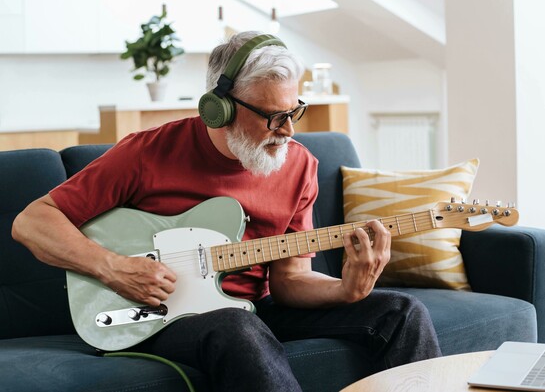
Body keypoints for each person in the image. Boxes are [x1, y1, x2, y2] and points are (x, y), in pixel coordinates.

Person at [12, 31, 441, 391]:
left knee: (403, 312)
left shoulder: (299, 165)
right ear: (220, 108)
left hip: (257, 307)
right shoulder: (147, 152)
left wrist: (345, 290)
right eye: (274, 117)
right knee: (238, 329)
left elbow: (289, 280)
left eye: (294, 112)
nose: (288, 131)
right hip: (164, 316)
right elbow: (33, 220)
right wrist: (114, 267)